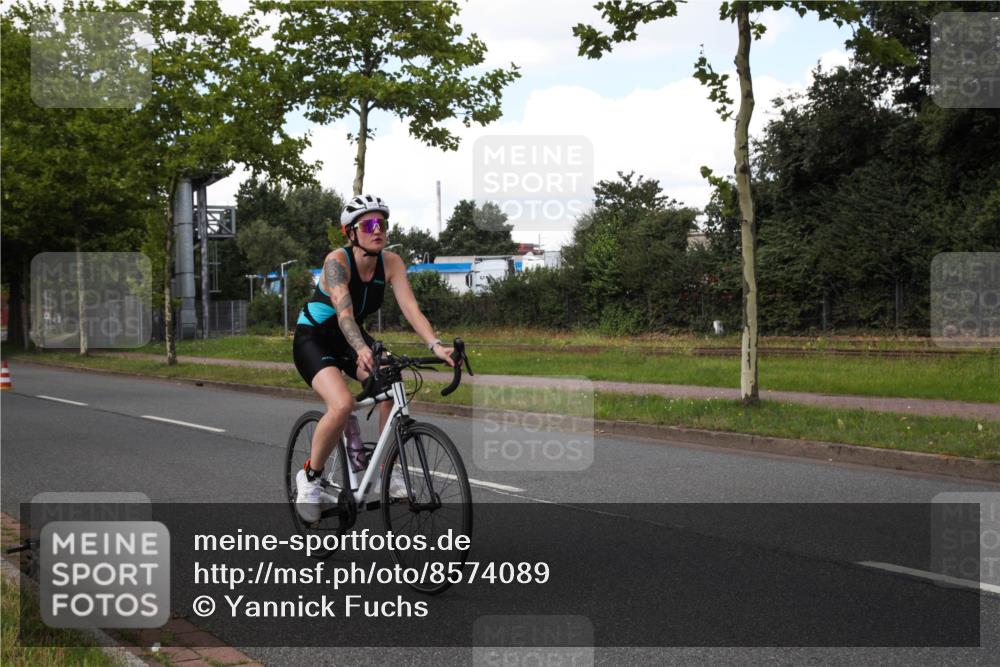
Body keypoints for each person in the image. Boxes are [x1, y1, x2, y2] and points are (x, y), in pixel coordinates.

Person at [292, 193, 455, 522]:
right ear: (350, 232)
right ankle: (310, 477)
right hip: (315, 337)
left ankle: (387, 469)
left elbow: (411, 309)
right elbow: (344, 315)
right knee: (340, 406)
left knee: (392, 381)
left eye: (382, 223)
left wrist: (436, 345)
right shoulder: (336, 262)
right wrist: (362, 349)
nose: (377, 229)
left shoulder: (391, 262)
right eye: (368, 224)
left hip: (350, 338)